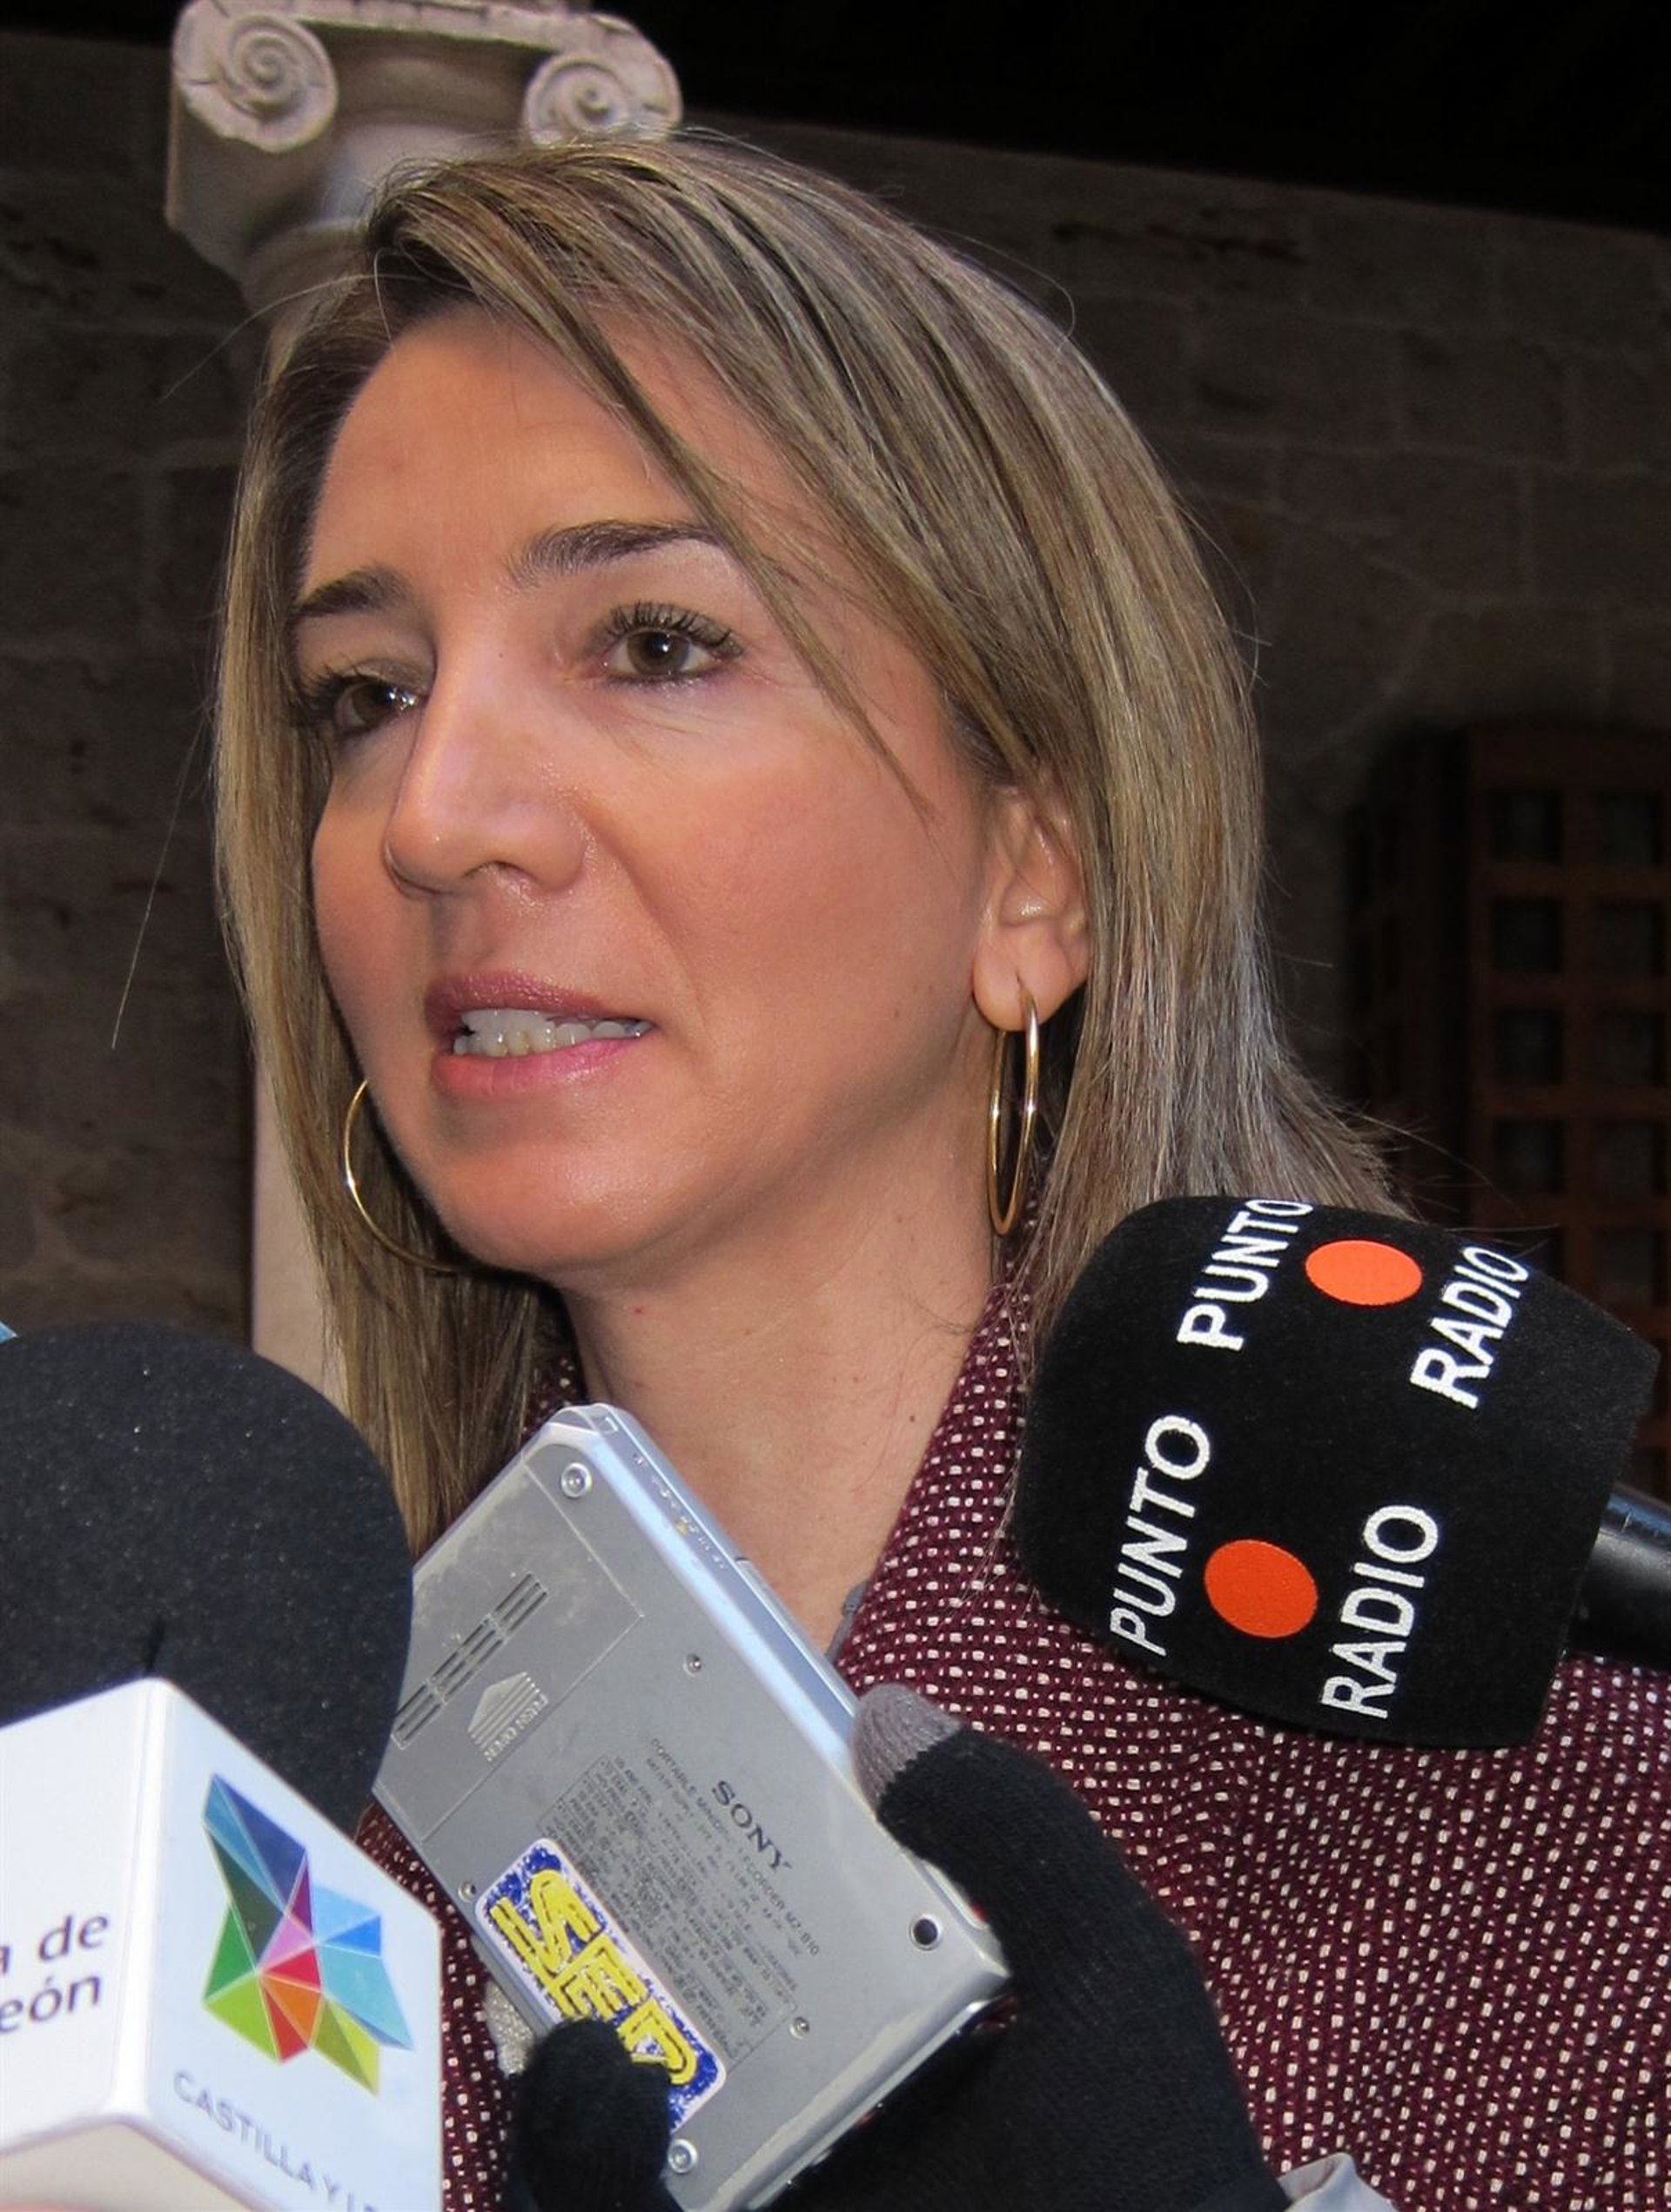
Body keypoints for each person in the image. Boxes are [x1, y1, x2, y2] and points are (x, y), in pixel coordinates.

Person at [212, 138, 1668, 2210]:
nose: (435, 812)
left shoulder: (1560, 1832)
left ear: (1035, 867)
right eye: (367, 693)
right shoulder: (256, 1857)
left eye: (654, 643)